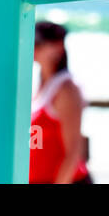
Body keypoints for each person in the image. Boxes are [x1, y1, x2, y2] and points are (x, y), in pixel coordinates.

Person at [30, 21, 91, 184]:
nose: (33, 47)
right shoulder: (40, 87)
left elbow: (74, 151)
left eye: (39, 42)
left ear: (58, 47)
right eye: (32, 41)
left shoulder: (66, 89)